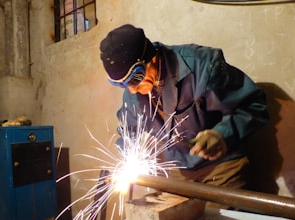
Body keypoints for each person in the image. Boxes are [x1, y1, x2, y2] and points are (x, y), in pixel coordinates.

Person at [99, 24, 269, 190]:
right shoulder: (133, 91)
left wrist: (223, 134)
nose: (132, 89)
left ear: (153, 58)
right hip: (180, 171)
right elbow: (129, 132)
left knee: (223, 218)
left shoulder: (202, 66)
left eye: (135, 79)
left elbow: (254, 105)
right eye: (121, 84)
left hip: (222, 168)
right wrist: (127, 161)